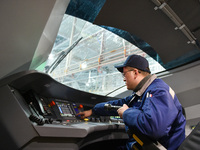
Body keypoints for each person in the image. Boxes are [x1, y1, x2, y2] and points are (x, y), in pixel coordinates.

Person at [76, 54, 186, 150]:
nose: (123, 79)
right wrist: (93, 111)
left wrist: (126, 113)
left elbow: (154, 128)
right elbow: (118, 104)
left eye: (124, 74)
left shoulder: (158, 91)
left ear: (135, 73)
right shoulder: (141, 93)